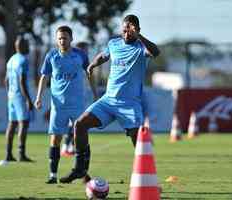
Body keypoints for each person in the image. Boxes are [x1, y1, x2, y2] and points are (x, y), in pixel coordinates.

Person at [59, 14, 160, 183]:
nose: (127, 33)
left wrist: (139, 36)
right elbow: (104, 56)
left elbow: (156, 52)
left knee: (140, 143)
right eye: (125, 29)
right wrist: (92, 65)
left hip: (130, 104)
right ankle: (80, 169)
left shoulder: (141, 48)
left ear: (137, 30)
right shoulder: (114, 44)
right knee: (80, 125)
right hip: (108, 101)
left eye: (131, 30)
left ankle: (148, 181)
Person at [34, 26, 96, 184]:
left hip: (77, 105)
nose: (62, 40)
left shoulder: (80, 55)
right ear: (57, 39)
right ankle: (52, 175)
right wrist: (39, 97)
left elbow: (89, 73)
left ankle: (83, 172)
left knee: (81, 139)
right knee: (55, 139)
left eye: (65, 38)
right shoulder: (51, 56)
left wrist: (95, 94)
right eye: (59, 38)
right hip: (58, 106)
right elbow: (44, 77)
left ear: (71, 39)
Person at [0, 37, 33, 165]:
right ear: (22, 46)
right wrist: (28, 100)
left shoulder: (11, 60)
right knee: (23, 123)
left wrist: (8, 93)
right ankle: (21, 154)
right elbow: (22, 81)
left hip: (11, 96)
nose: (29, 47)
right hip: (20, 96)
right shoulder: (23, 60)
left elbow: (6, 80)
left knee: (12, 124)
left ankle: (8, 154)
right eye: (27, 44)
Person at [60, 41, 97, 158]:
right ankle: (67, 146)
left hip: (79, 96)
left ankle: (69, 145)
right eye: (85, 50)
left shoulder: (80, 61)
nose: (86, 52)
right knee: (76, 123)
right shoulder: (75, 59)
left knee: (75, 123)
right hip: (73, 97)